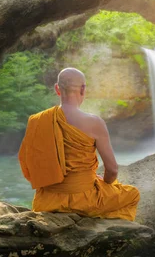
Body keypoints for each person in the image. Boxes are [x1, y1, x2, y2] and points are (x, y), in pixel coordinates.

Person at [18, 67, 140, 221]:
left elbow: (28, 165)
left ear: (57, 89)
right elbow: (112, 170)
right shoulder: (94, 123)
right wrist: (105, 184)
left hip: (47, 201)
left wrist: (54, 185)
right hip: (84, 201)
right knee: (133, 194)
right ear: (83, 90)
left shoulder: (37, 120)